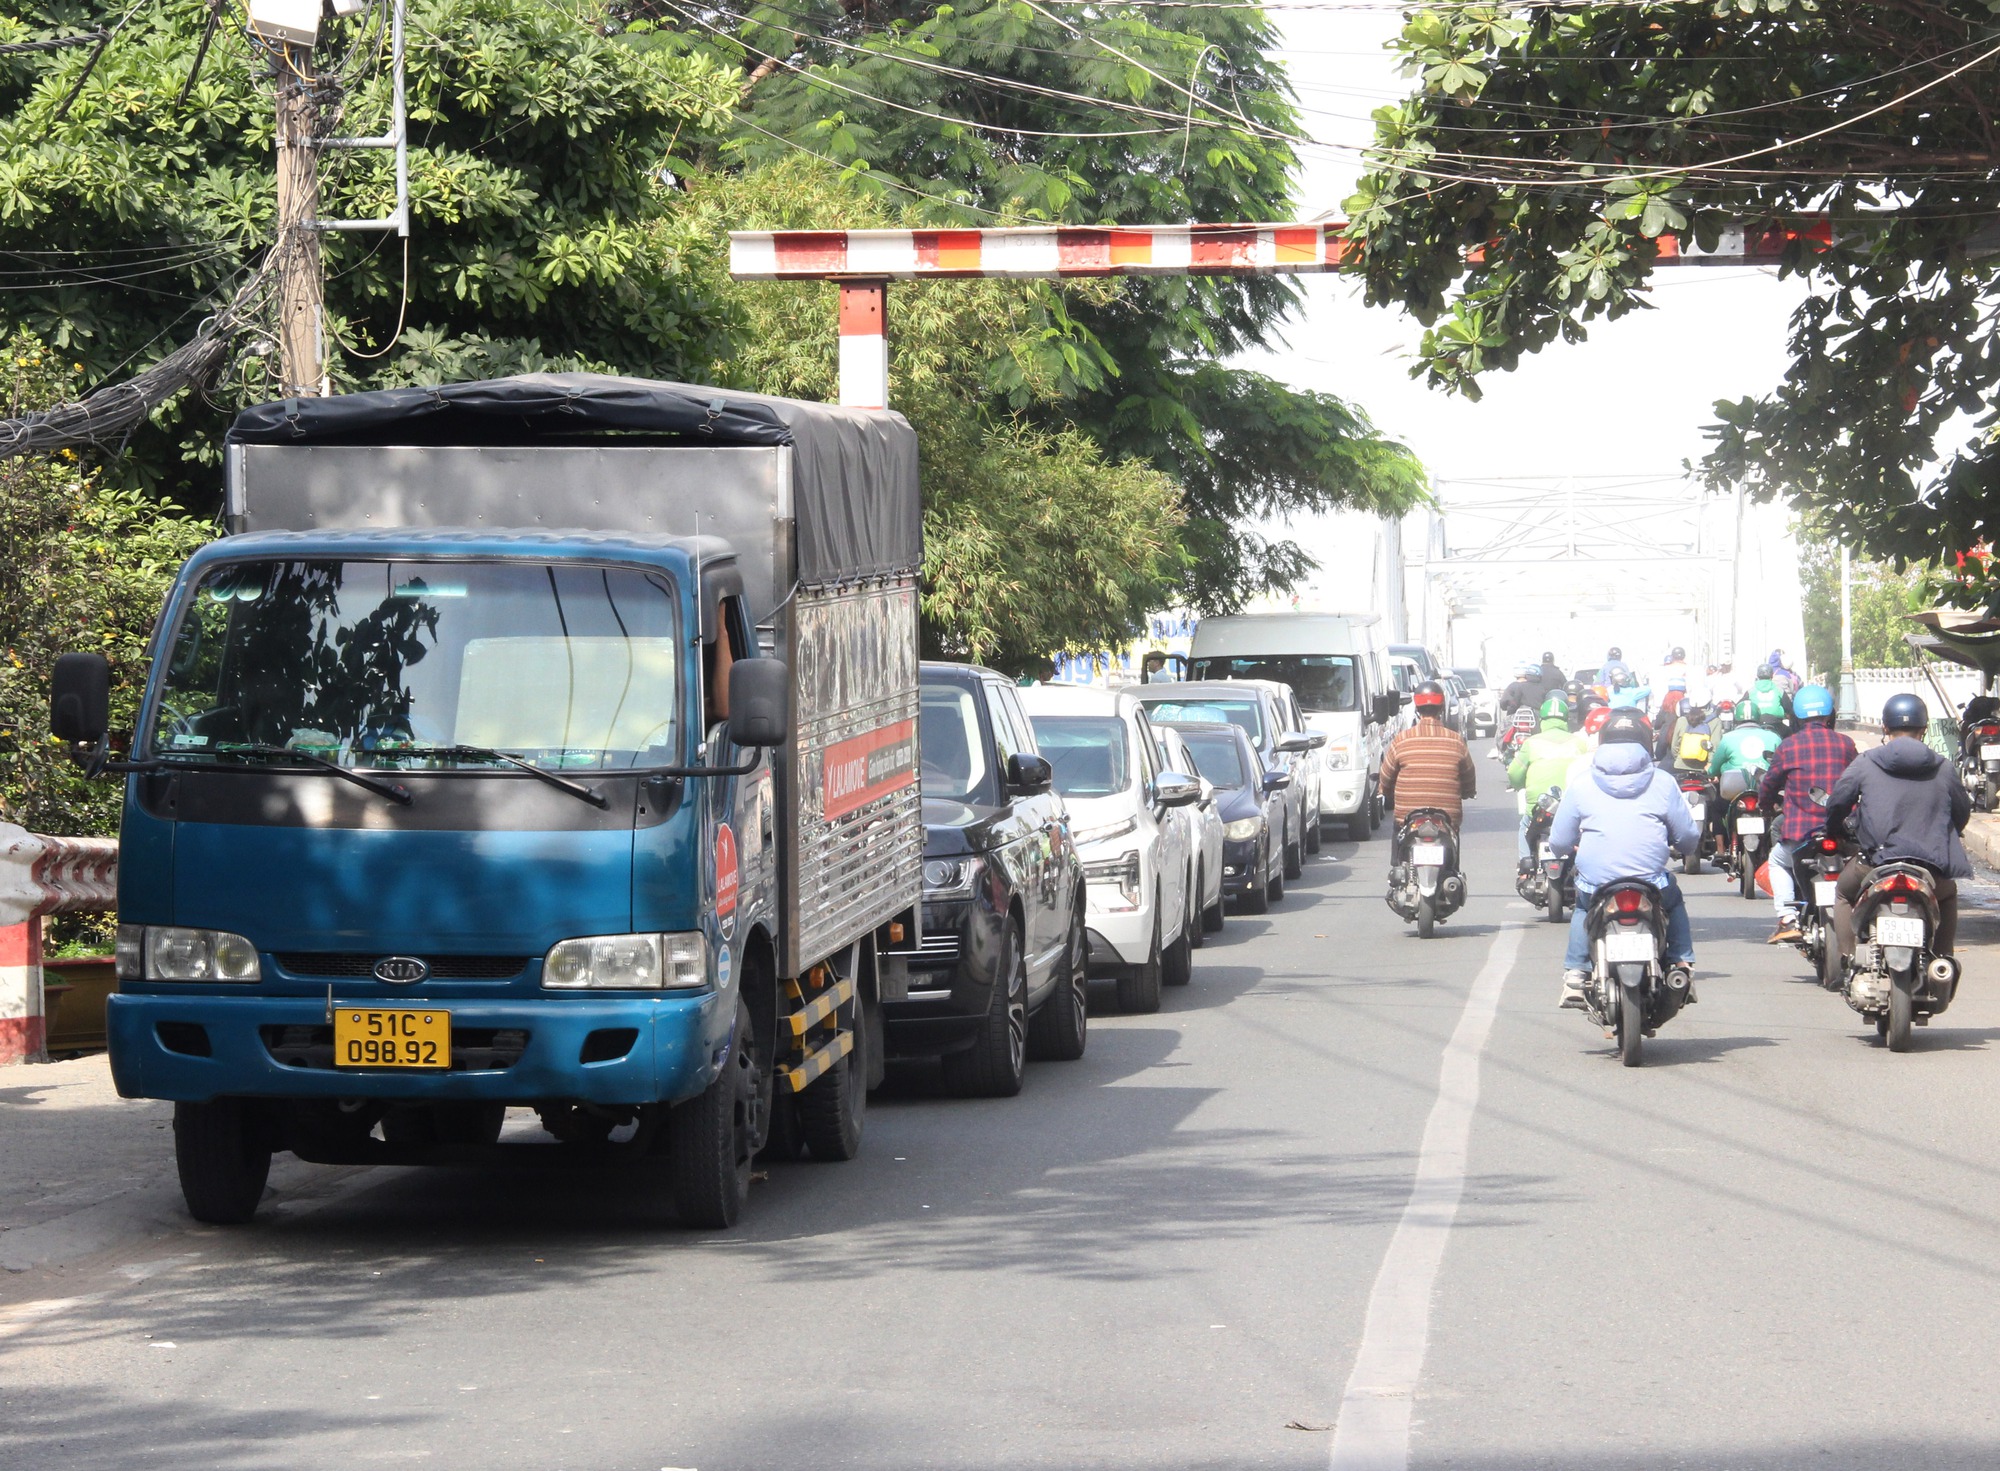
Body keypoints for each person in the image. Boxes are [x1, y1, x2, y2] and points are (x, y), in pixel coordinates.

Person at [1548, 709, 1699, 1009]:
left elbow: (1559, 841)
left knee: (1582, 906)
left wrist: (1567, 850)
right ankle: (1681, 964)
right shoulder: (1664, 782)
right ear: (1645, 743)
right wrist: (1682, 846)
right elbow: (1688, 837)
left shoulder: (1581, 783)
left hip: (1596, 884)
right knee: (1674, 900)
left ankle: (1577, 973)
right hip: (1651, 883)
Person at [1825, 693, 1972, 959]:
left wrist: (1834, 829)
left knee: (1844, 894)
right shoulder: (1943, 766)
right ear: (1924, 730)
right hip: (1930, 867)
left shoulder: (1866, 762)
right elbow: (1961, 812)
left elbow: (1838, 802)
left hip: (1875, 863)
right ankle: (1943, 961)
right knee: (1948, 895)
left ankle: (1847, 960)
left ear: (1884, 727)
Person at [1755, 684, 1858, 944]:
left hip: (1801, 834)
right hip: (1843, 831)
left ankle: (1787, 918)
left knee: (1777, 861)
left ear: (1797, 717)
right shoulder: (1846, 744)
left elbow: (1769, 783)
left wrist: (1765, 804)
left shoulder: (1788, 746)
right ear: (1830, 715)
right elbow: (1859, 779)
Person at [1380, 681, 1477, 862]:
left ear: (1417, 708)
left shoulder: (1402, 740)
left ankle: (1397, 870)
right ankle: (1451, 871)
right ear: (1441, 708)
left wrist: (1384, 790)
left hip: (1407, 816)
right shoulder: (1455, 741)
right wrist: (1469, 791)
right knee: (1453, 842)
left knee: (1397, 834)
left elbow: (1386, 776)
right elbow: (1469, 775)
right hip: (1448, 817)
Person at [1507, 693, 1588, 870]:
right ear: (1566, 719)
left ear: (1542, 719)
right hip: (1572, 805)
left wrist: (1519, 785)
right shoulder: (1580, 743)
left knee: (1525, 825)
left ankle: (1525, 866)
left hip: (1539, 807)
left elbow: (1514, 774)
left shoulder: (1531, 743)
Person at [1708, 699, 1784, 791]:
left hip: (1733, 787)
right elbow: (1782, 765)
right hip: (1765, 786)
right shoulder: (1774, 737)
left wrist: (1711, 773)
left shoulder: (1727, 738)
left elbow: (1715, 767)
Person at [1746, 663, 1793, 728]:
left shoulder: (1750, 691)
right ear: (1772, 675)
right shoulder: (1779, 690)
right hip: (1776, 724)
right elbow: (1788, 708)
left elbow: (1740, 706)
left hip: (1756, 724)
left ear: (1757, 675)